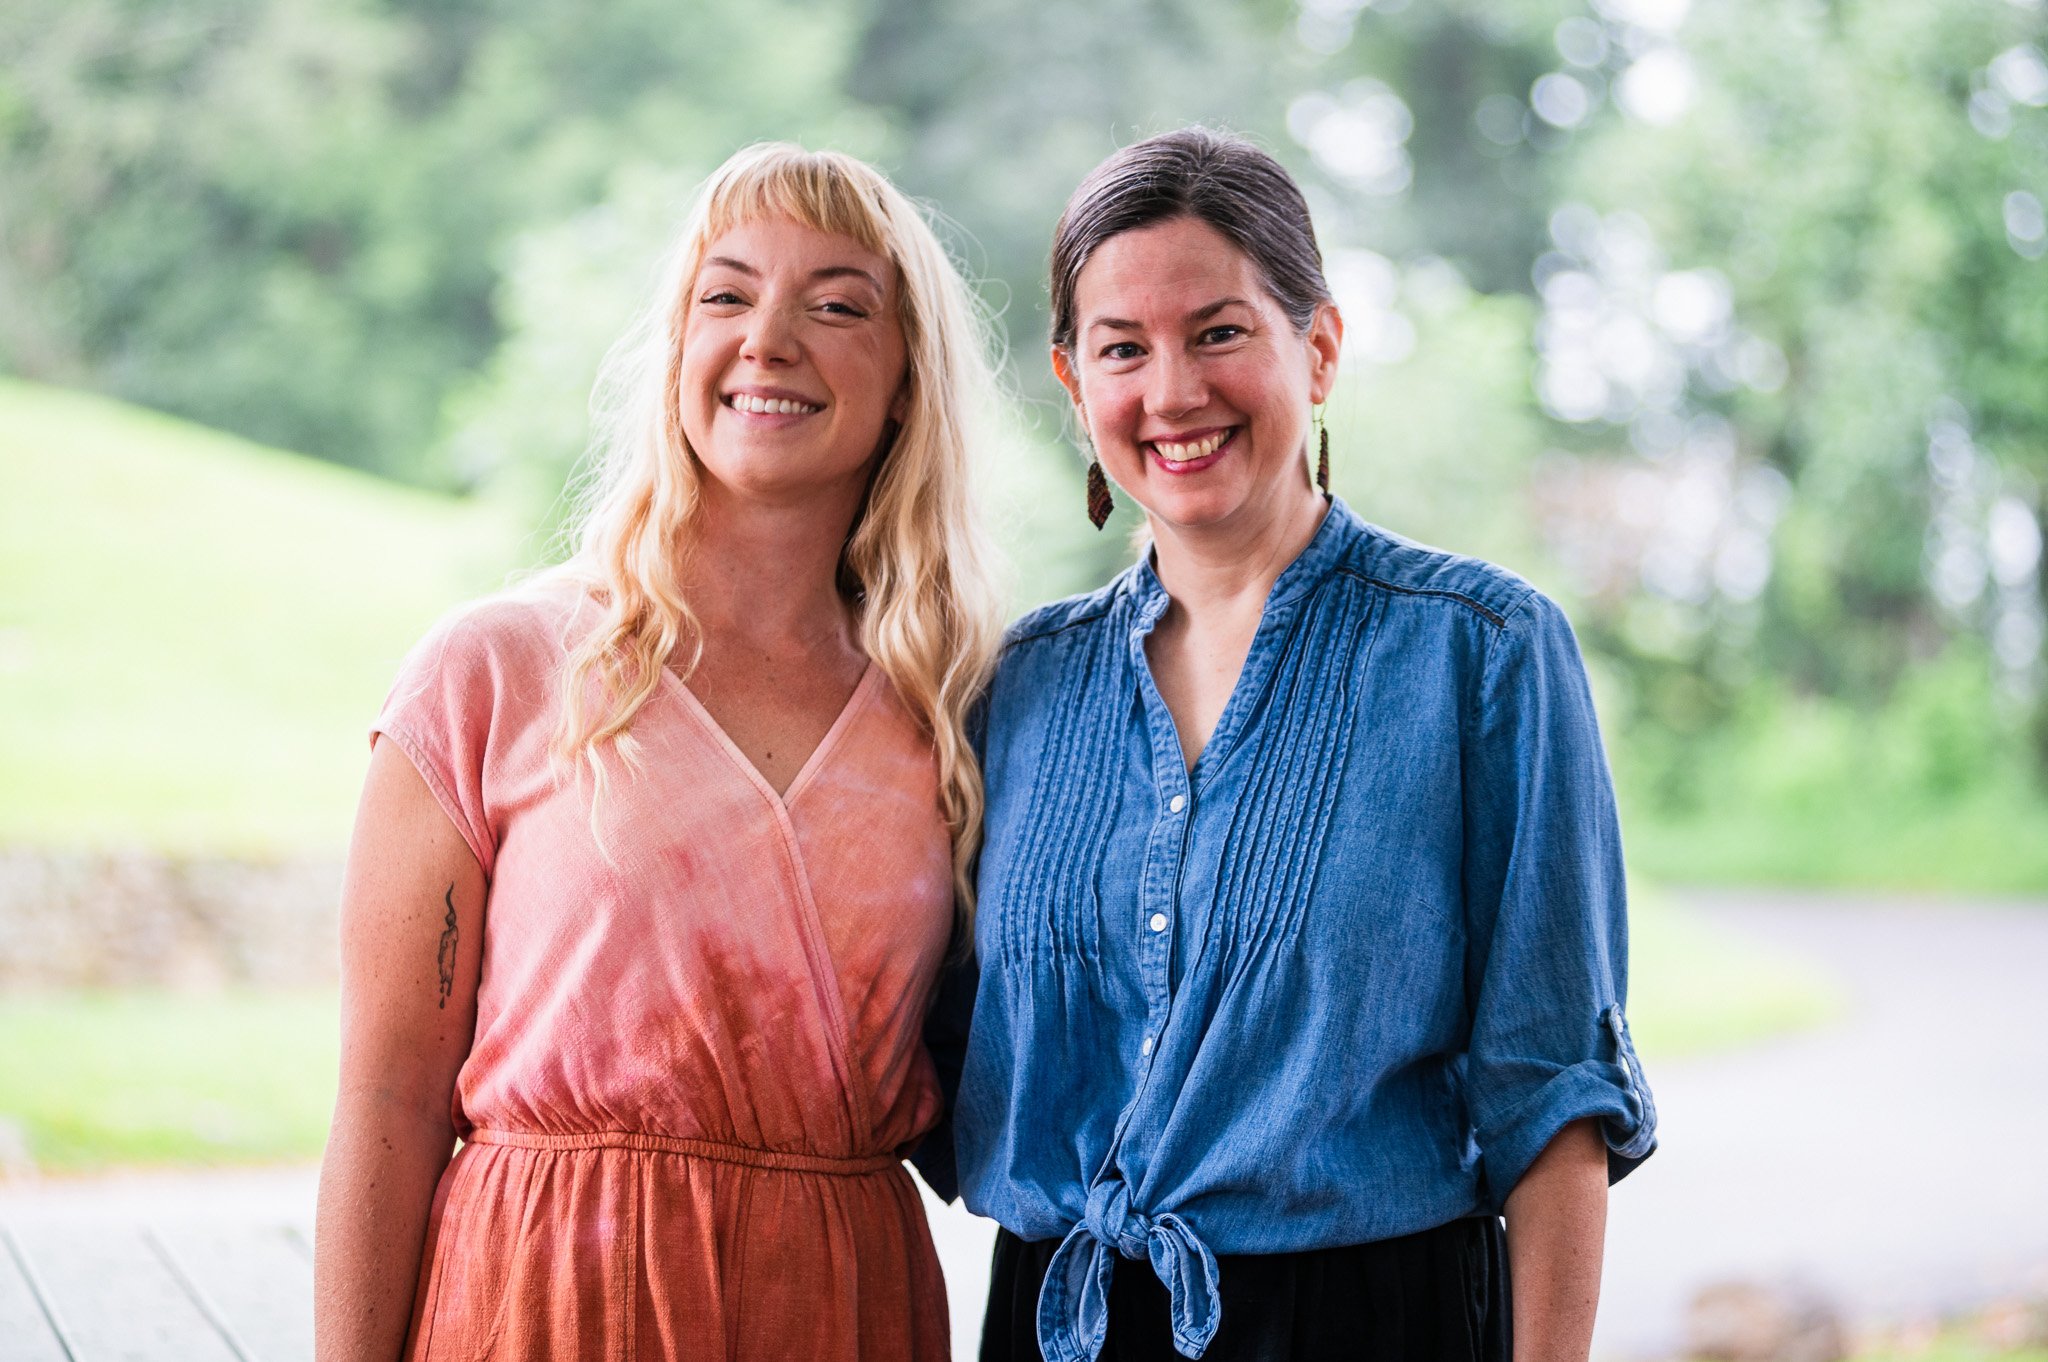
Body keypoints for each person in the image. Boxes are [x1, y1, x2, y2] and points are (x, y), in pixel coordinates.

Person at [938, 128, 1658, 1362]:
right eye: (1123, 349)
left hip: (1374, 1324)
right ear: (1072, 384)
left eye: (1218, 332)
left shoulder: (1481, 654)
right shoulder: (1008, 689)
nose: (1171, 392)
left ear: (1315, 347)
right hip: (1059, 1323)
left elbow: (1554, 1105)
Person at [314, 142, 1003, 1362]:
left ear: (906, 381)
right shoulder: (494, 671)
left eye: (835, 305)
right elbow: (385, 1103)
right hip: (546, 1307)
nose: (768, 340)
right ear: (677, 349)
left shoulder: (956, 711)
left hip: (839, 1309)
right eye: (725, 296)